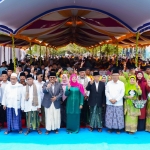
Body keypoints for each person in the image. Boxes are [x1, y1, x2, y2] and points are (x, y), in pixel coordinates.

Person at [105, 68, 125, 134]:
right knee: (110, 116)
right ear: (111, 76)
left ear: (118, 75)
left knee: (118, 116)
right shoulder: (108, 83)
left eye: (116, 75)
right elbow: (106, 92)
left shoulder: (121, 84)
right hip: (109, 102)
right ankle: (110, 128)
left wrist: (116, 100)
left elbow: (122, 93)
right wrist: (110, 99)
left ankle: (118, 129)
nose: (115, 77)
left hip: (118, 103)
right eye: (113, 75)